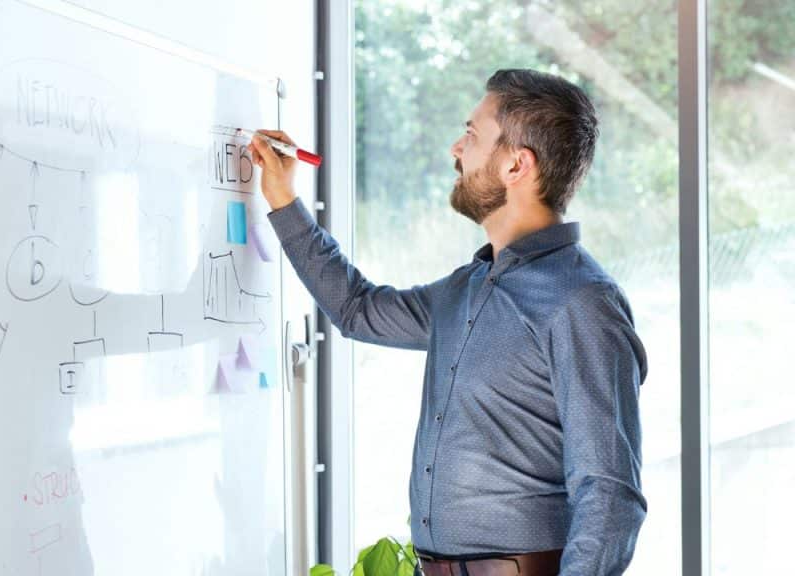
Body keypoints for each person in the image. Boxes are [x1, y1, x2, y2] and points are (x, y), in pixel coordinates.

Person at [248, 69, 648, 576]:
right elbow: (357, 310)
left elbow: (610, 493)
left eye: (472, 135)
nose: (456, 149)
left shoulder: (582, 301)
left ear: (517, 165)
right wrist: (284, 200)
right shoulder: (467, 288)